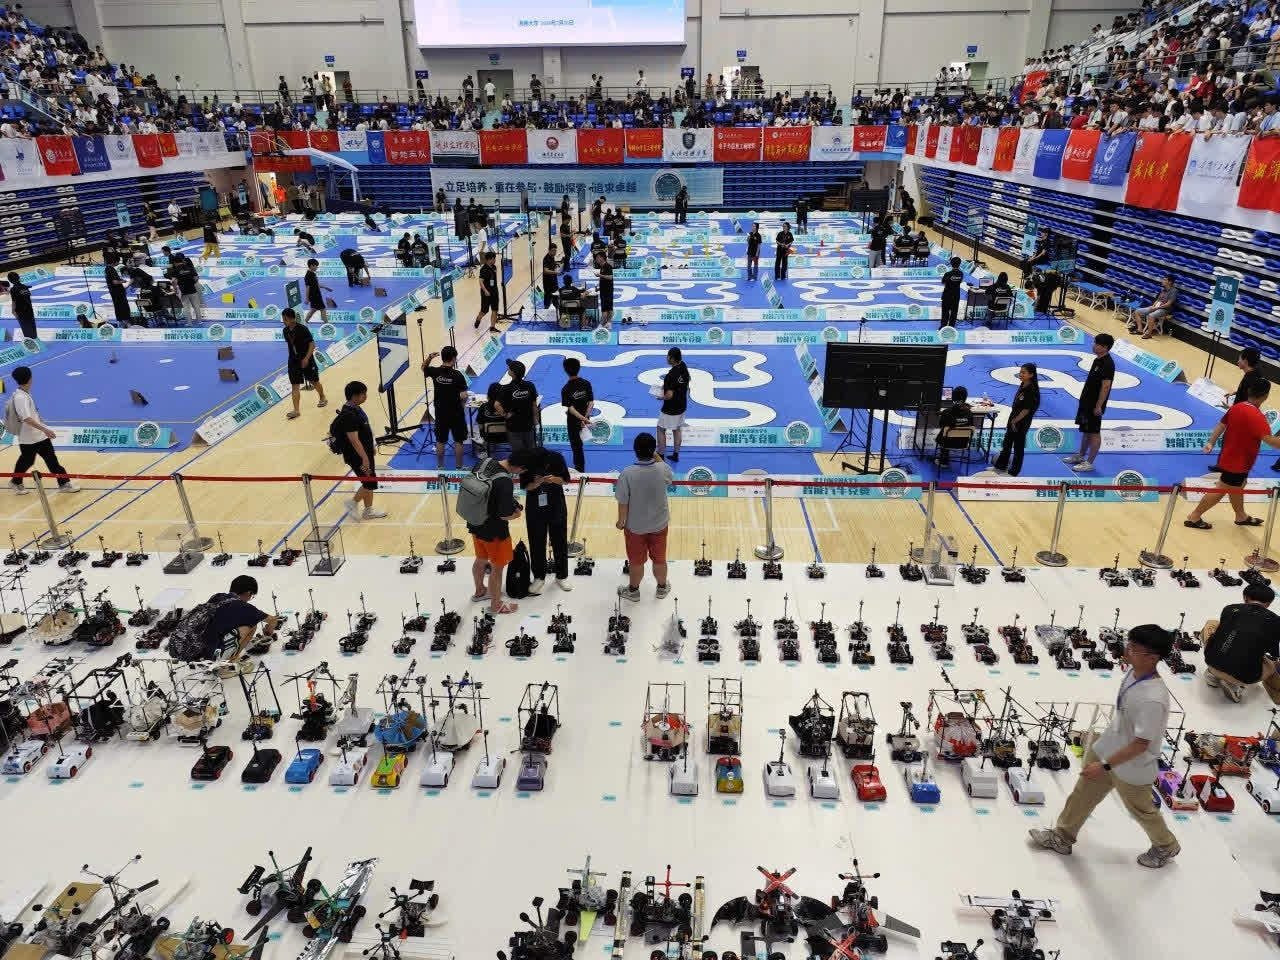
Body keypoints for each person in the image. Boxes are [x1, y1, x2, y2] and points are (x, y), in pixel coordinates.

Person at [1029, 624, 1181, 869]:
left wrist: (1105, 766)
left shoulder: (1153, 699)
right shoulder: (1134, 673)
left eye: (1134, 648)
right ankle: (1062, 836)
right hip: (1109, 747)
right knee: (1082, 795)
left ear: (1152, 657)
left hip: (1132, 765)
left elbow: (1141, 744)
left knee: (1141, 809)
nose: (1127, 650)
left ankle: (1166, 845)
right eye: (1129, 644)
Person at [1185, 380, 1280, 529]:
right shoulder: (1257, 416)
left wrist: (1211, 442)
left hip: (1232, 457)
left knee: (1238, 486)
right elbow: (1271, 442)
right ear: (1265, 396)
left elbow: (1221, 424)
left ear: (1249, 391)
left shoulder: (1237, 407)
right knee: (1221, 489)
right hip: (1238, 462)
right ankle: (1194, 517)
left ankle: (1241, 516)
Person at [615, 432, 674, 602]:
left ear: (635, 450)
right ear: (653, 450)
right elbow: (667, 473)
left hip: (635, 527)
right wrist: (654, 453)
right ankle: (662, 588)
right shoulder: (663, 469)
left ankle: (633, 592)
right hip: (659, 525)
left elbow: (623, 502)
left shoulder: (627, 473)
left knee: (636, 562)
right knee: (660, 559)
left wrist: (621, 522)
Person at [1200, 582, 1280, 703]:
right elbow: (1273, 653)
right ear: (1269, 604)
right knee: (1273, 663)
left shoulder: (1229, 609)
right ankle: (1235, 685)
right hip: (1244, 676)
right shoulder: (1276, 622)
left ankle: (1213, 675)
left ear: (1245, 597)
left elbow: (1221, 635)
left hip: (1212, 662)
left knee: (1212, 624)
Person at [5, 365, 77, 494]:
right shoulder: (21, 397)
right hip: (29, 439)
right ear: (30, 378)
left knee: (51, 461)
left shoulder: (23, 394)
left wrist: (41, 423)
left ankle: (64, 483)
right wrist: (45, 429)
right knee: (27, 461)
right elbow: (26, 418)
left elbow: (31, 414)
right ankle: (16, 482)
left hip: (38, 437)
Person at [465, 455, 523, 615]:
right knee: (497, 568)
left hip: (475, 523)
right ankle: (496, 605)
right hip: (495, 532)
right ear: (519, 467)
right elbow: (504, 514)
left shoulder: (484, 462)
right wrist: (516, 514)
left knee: (480, 559)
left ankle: (480, 591)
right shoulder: (505, 481)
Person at [510, 446, 572, 595]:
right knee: (536, 542)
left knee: (560, 541)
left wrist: (553, 479)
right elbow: (525, 486)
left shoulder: (556, 458)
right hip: (535, 507)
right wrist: (536, 483)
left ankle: (561, 576)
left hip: (556, 505)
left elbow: (565, 480)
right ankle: (539, 577)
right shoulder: (527, 462)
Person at [330, 380, 387, 522]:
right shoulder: (349, 416)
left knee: (368, 481)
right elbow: (354, 440)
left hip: (365, 452)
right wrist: (364, 458)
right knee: (369, 483)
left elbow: (365, 430)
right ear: (354, 396)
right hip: (357, 456)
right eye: (363, 394)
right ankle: (352, 503)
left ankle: (368, 511)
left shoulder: (356, 408)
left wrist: (371, 447)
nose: (365, 396)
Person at [196, 575, 279, 662]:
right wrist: (268, 633)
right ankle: (231, 660)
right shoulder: (244, 607)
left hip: (197, 650)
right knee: (252, 626)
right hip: (211, 655)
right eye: (252, 596)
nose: (249, 599)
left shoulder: (218, 597)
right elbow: (273, 620)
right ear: (248, 593)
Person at [1062, 333, 1113, 474]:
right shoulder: (1098, 360)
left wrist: (1099, 405)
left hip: (1095, 405)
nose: (1093, 345)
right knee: (1086, 430)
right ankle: (1081, 455)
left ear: (1104, 347)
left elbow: (1106, 386)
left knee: (1094, 432)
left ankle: (1089, 463)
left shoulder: (1108, 364)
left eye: (1096, 344)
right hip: (1087, 402)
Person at [1210, 347, 1266, 473]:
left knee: (1229, 439)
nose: (1237, 361)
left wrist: (1231, 409)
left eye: (1239, 359)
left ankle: (1224, 467)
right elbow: (1251, 392)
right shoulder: (1256, 373)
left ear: (1245, 361)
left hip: (1240, 415)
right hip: (1246, 414)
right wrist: (1236, 392)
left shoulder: (1250, 378)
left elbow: (1248, 401)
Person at [421, 346, 469, 469]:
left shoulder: (435, 372)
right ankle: (459, 467)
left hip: (440, 412)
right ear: (453, 358)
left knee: (440, 440)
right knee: (458, 440)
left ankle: (440, 467)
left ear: (442, 357)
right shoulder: (458, 375)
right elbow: (464, 395)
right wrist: (462, 405)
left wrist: (430, 357)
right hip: (456, 412)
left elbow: (423, 368)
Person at [992, 363, 1039, 477]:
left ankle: (1014, 472)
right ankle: (1000, 466)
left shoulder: (1031, 390)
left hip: (1021, 423)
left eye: (1023, 372)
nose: (1020, 374)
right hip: (1013, 419)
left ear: (1031, 375)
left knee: (1018, 447)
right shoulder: (1023, 385)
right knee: (1007, 444)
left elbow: (1026, 410)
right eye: (1020, 372)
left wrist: (1015, 421)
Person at [281, 307, 327, 419]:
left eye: (285, 319)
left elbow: (312, 345)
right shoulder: (285, 331)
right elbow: (290, 346)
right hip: (293, 361)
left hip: (307, 359)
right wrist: (292, 359)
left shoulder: (303, 329)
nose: (283, 321)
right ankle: (296, 410)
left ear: (292, 318)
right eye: (283, 319)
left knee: (314, 381)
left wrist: (306, 358)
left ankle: (322, 397)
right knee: (295, 385)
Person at [561, 357, 594, 473]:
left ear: (565, 370)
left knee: (576, 447)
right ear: (579, 368)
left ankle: (580, 471)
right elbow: (591, 402)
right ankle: (581, 469)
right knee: (579, 446)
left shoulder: (566, 389)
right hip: (585, 419)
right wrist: (585, 418)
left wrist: (582, 419)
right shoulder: (586, 383)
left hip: (573, 421)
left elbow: (571, 409)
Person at [657, 347, 690, 463]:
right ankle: (676, 454)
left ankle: (661, 454)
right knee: (677, 429)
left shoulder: (671, 375)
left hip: (670, 408)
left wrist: (660, 397)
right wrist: (667, 386)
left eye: (668, 356)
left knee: (660, 429)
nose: (666, 358)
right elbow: (685, 384)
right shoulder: (683, 366)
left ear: (671, 358)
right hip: (682, 405)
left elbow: (669, 395)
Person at [498, 359, 539, 452]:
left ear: (512, 373)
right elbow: (534, 405)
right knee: (531, 451)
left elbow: (497, 405)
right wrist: (535, 420)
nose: (508, 369)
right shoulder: (530, 385)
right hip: (528, 424)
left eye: (509, 368)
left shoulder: (506, 388)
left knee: (518, 453)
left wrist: (505, 415)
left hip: (514, 425)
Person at [935, 385, 974, 467]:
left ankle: (943, 461)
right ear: (965, 398)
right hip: (963, 443)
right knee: (947, 432)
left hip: (946, 442)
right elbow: (971, 425)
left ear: (953, 397)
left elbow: (941, 425)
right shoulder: (969, 413)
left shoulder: (946, 412)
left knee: (945, 432)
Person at [1129, 273, 1177, 339]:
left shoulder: (1174, 291)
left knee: (1151, 316)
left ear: (1170, 282)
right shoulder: (1163, 290)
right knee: (1137, 312)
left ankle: (1149, 334)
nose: (1162, 281)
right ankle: (1140, 330)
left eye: (1164, 280)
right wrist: (1154, 306)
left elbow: (1168, 304)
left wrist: (1158, 307)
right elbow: (1158, 299)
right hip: (1156, 307)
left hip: (1164, 310)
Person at [168, 254, 203, 324]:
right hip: (193, 290)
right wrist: (192, 283)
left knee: (186, 308)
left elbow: (174, 281)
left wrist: (175, 289)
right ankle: (199, 321)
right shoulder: (189, 268)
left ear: (175, 262)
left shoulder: (175, 270)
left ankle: (189, 323)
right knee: (196, 306)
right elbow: (196, 277)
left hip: (183, 291)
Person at [472, 250, 499, 333]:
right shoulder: (483, 269)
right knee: (484, 311)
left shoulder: (494, 267)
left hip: (494, 292)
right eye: (494, 259)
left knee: (495, 310)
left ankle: (492, 327)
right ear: (489, 259)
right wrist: (485, 291)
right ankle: (478, 319)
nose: (495, 260)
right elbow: (481, 281)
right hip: (486, 294)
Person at [6, 272, 36, 340]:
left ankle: (30, 342)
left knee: (26, 330)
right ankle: (34, 338)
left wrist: (13, 311)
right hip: (29, 310)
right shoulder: (25, 287)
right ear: (18, 278)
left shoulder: (13, 290)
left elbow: (14, 302)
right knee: (32, 328)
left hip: (21, 312)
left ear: (10, 280)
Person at [104, 252, 131, 325]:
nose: (118, 263)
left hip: (113, 291)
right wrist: (123, 281)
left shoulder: (107, 269)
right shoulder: (111, 270)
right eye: (118, 261)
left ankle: (121, 321)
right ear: (114, 261)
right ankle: (126, 321)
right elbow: (115, 282)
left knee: (117, 306)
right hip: (118, 292)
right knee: (123, 306)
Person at [302, 258, 330, 324]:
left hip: (317, 294)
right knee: (322, 308)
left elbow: (317, 284)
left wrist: (325, 287)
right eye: (316, 266)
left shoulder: (313, 274)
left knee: (313, 309)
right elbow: (307, 287)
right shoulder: (308, 276)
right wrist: (307, 298)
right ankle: (326, 323)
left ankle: (305, 321)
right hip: (314, 295)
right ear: (311, 266)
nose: (317, 267)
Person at [940, 256, 964, 328]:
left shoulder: (948, 274)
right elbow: (960, 282)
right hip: (956, 295)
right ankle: (951, 326)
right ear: (959, 264)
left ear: (951, 264)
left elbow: (943, 282)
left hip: (947, 295)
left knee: (945, 311)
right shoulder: (961, 274)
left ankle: (943, 326)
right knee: (954, 312)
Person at [597, 254, 615, 330]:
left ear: (602, 258)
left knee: (607, 308)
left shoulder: (608, 266)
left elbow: (610, 277)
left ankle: (602, 325)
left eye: (598, 257)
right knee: (608, 308)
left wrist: (600, 275)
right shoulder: (602, 267)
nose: (596, 259)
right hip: (603, 290)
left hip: (608, 291)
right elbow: (604, 280)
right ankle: (607, 323)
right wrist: (599, 288)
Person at [541, 247, 559, 314]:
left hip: (554, 280)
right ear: (549, 250)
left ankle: (557, 310)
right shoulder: (546, 259)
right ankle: (546, 311)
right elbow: (545, 271)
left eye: (555, 251)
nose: (555, 252)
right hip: (547, 282)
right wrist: (555, 272)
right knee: (547, 296)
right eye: (553, 251)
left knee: (556, 296)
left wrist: (556, 266)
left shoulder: (552, 257)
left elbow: (552, 266)